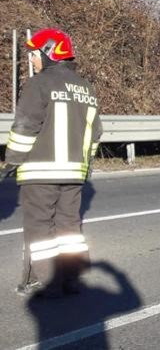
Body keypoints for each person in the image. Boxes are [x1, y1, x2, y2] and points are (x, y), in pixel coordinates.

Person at [1, 28, 102, 298]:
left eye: (34, 54)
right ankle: (71, 279)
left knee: (39, 226)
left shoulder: (39, 84)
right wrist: (86, 164)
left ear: (48, 53)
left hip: (40, 171)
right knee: (69, 226)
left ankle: (43, 283)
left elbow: (25, 126)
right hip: (75, 173)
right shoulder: (86, 88)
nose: (32, 60)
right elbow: (95, 133)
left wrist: (11, 161)